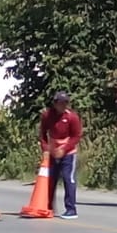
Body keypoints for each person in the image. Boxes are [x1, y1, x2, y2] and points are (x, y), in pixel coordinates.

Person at [39, 92, 83, 220]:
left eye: (65, 103)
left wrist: (64, 149)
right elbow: (42, 134)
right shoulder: (47, 116)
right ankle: (48, 207)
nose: (63, 105)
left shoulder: (72, 117)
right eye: (61, 103)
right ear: (55, 103)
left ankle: (71, 209)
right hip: (53, 153)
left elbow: (76, 136)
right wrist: (45, 149)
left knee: (68, 179)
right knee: (50, 180)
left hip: (68, 153)